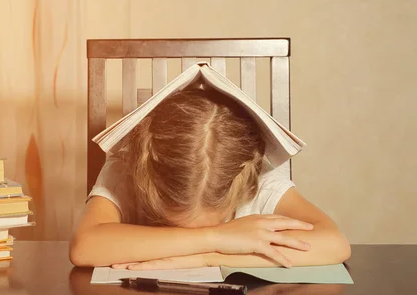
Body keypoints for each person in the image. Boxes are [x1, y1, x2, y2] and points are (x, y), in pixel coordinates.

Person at [70, 88, 350, 270]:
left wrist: (208, 257)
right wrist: (216, 236)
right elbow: (86, 247)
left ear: (241, 185)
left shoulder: (260, 180)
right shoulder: (126, 168)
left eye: (215, 223)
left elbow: (334, 243)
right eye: (173, 226)